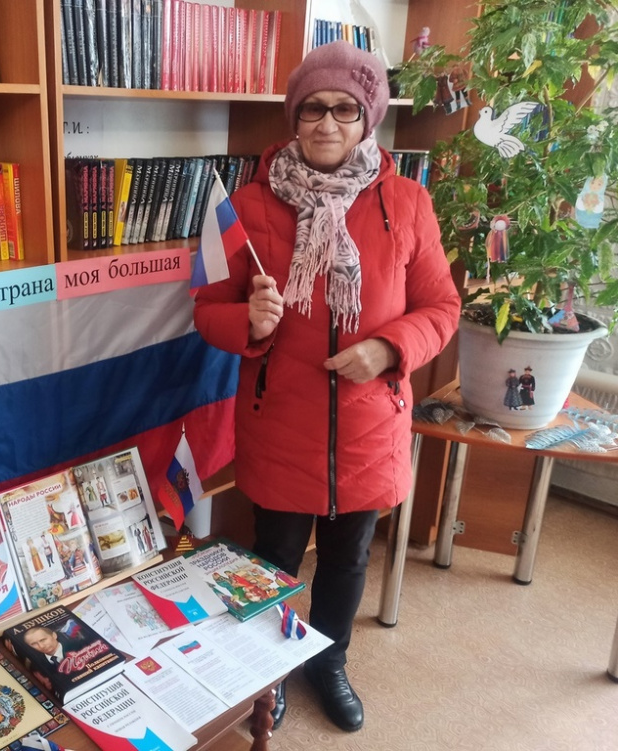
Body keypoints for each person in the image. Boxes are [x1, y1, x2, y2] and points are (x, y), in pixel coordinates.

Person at [193, 41, 460, 734]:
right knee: (274, 559)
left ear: (368, 117)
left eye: (345, 108)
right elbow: (206, 310)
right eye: (313, 108)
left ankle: (328, 660)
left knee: (347, 558)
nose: (327, 123)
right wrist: (249, 322)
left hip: (372, 423)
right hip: (281, 422)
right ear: (294, 116)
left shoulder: (408, 203)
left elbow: (441, 308)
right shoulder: (248, 206)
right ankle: (269, 673)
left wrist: (389, 348)